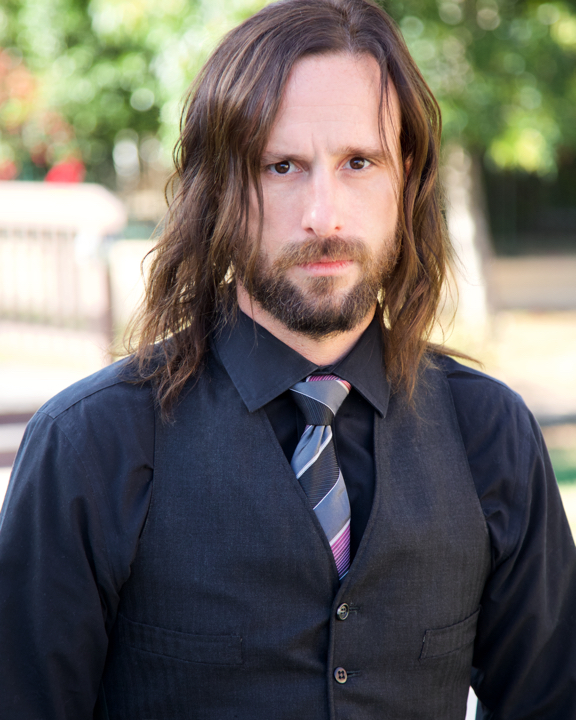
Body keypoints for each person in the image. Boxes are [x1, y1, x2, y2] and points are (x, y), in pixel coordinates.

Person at [1, 0, 575, 717]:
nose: (323, 216)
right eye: (281, 167)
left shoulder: (491, 434)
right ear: (218, 192)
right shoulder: (91, 445)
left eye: (359, 162)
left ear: (407, 180)